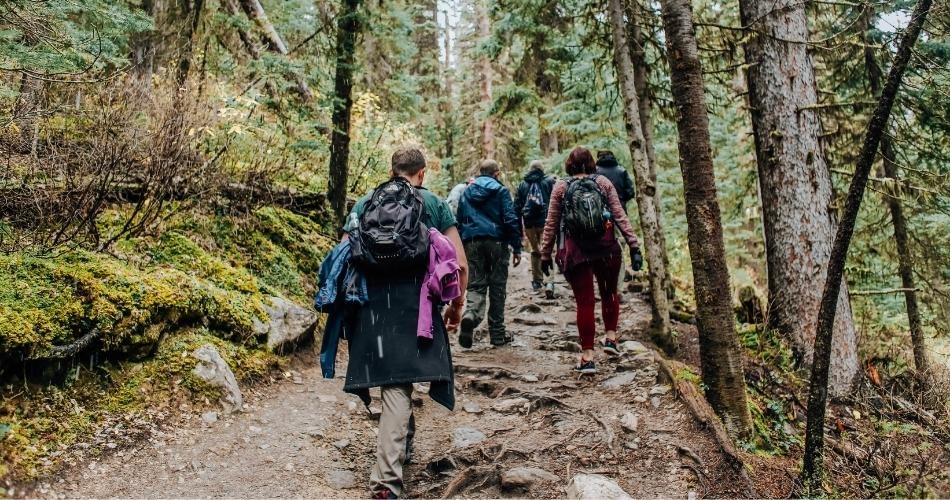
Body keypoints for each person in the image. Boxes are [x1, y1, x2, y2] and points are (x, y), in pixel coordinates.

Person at [339, 146, 469, 499]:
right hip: (416, 303)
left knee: (393, 379)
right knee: (398, 384)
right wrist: (457, 305)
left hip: (371, 305)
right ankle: (385, 482)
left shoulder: (365, 202)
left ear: (391, 170)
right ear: (421, 173)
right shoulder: (434, 204)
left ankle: (402, 444)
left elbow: (343, 253)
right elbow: (459, 262)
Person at [539, 146, 641, 374]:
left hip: (576, 253)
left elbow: (551, 224)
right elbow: (619, 215)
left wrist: (545, 254)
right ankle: (611, 339)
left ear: (569, 164)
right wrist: (634, 245)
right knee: (610, 293)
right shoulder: (603, 183)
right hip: (607, 249)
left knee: (585, 302)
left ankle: (587, 357)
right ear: (591, 163)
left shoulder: (561, 187)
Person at [456, 159, 522, 348]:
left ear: (480, 171)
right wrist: (516, 247)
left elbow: (460, 218)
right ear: (497, 173)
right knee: (497, 288)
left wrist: (462, 244)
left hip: (472, 242)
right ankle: (497, 335)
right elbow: (510, 219)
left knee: (476, 285)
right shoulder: (501, 191)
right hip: (496, 242)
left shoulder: (467, 191)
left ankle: (471, 315)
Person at [595, 150, 639, 292]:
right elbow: (631, 192)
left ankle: (603, 283)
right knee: (619, 249)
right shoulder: (621, 171)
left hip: (600, 216)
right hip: (620, 214)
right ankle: (617, 287)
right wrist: (620, 199)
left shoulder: (595, 173)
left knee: (602, 248)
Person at [513, 160, 556, 294]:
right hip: (546, 222)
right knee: (547, 250)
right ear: (542, 169)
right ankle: (549, 282)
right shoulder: (549, 182)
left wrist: (519, 231)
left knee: (535, 250)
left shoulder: (522, 184)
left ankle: (537, 281)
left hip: (529, 224)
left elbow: (516, 208)